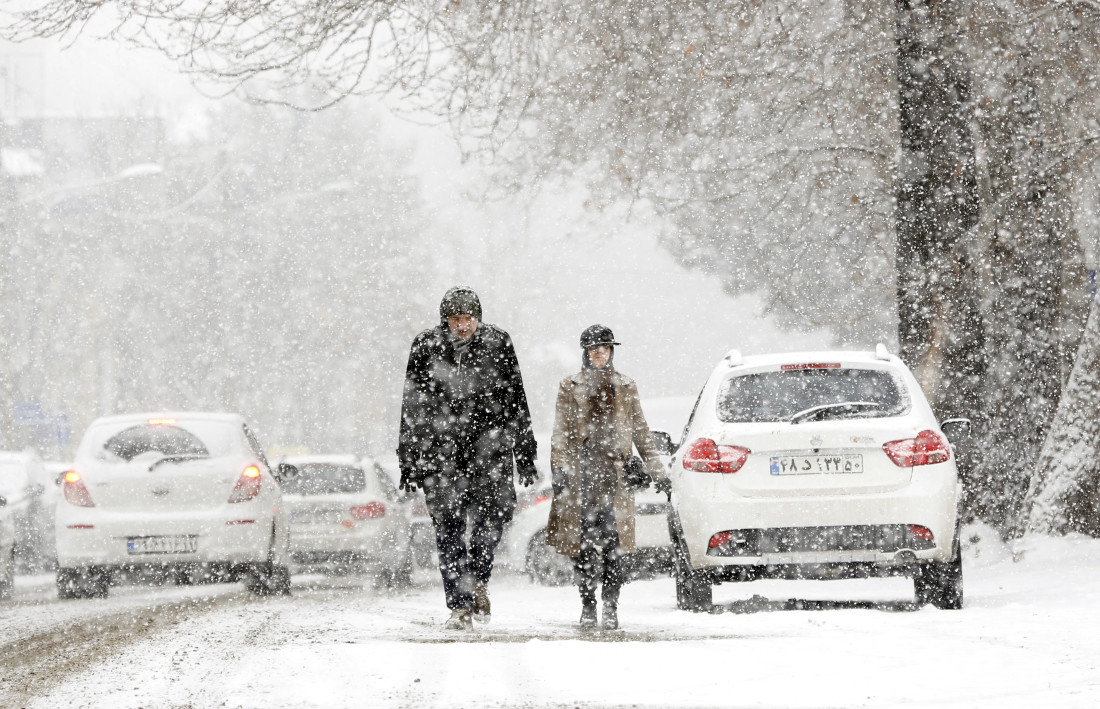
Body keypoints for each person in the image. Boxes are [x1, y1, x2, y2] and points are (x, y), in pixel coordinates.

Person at [397, 286, 539, 630]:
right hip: (440, 455)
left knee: (490, 525)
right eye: (456, 319)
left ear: (479, 318)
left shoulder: (497, 343)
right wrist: (409, 459)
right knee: (448, 531)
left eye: (469, 319)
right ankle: (459, 607)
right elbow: (412, 405)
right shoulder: (426, 345)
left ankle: (478, 581)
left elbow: (516, 400)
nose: (463, 326)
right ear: (444, 321)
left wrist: (524, 454)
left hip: (490, 453)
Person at [546, 324, 670, 630]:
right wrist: (559, 469)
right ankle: (588, 604)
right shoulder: (569, 385)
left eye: (605, 348)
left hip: (615, 477)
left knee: (616, 547)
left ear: (611, 351)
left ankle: (611, 605)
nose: (600, 353)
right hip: (582, 477)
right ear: (585, 353)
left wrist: (659, 473)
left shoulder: (625, 385)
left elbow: (641, 431)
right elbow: (560, 431)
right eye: (594, 349)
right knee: (582, 547)